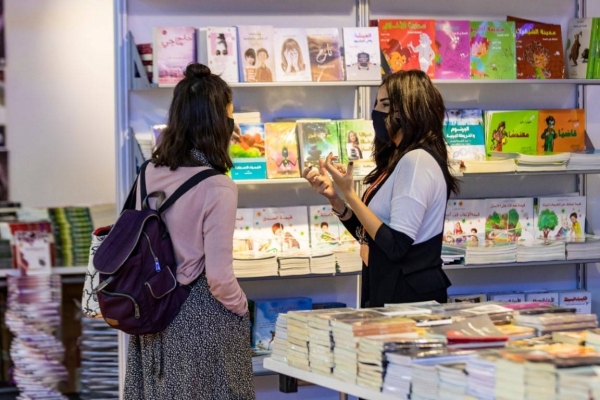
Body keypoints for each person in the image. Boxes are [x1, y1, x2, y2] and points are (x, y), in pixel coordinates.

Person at [123, 63, 254, 400]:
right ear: (218, 123)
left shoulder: (148, 171)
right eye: (229, 113)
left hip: (151, 312)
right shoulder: (218, 186)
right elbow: (220, 279)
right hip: (196, 316)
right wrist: (242, 308)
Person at [303, 69, 460, 307]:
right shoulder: (399, 158)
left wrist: (350, 193)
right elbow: (372, 235)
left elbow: (396, 245)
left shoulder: (416, 161)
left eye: (386, 105)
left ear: (410, 107)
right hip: (389, 290)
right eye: (377, 104)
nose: (377, 112)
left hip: (409, 299)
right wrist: (336, 199)